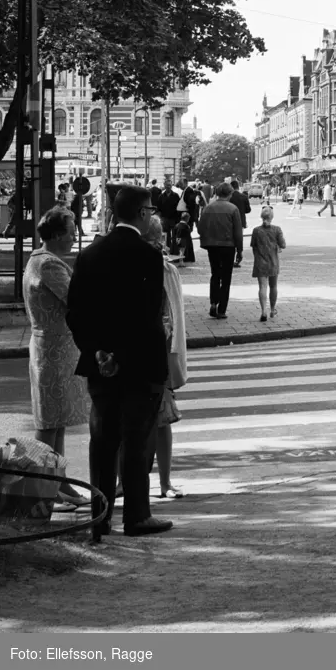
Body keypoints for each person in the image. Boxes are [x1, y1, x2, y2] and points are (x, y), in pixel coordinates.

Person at [66, 184, 173, 540]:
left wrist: (98, 351)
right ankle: (137, 516)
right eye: (150, 211)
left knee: (103, 440)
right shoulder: (147, 255)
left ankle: (100, 518)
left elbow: (76, 312)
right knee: (137, 441)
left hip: (99, 364)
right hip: (140, 363)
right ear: (142, 213)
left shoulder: (90, 254)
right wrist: (122, 356)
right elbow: (147, 315)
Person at [23, 206, 91, 512]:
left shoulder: (40, 259)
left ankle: (59, 484)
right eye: (72, 228)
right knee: (49, 422)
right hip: (53, 350)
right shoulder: (49, 265)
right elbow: (78, 299)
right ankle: (46, 490)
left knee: (56, 419)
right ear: (58, 234)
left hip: (53, 348)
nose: (76, 234)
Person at [141, 215, 186, 501]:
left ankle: (163, 481)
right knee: (154, 421)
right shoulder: (160, 268)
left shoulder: (165, 270)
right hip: (148, 353)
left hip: (156, 352)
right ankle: (159, 482)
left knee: (160, 419)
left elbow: (172, 316)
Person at [196, 182, 243, 320]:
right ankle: (222, 309)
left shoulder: (208, 208)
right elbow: (238, 233)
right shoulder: (233, 209)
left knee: (215, 274)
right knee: (226, 277)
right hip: (228, 246)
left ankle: (213, 302)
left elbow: (200, 228)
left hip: (212, 246)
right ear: (229, 194)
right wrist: (239, 251)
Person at [250, 204, 287, 322]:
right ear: (272, 217)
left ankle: (263, 311)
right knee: (273, 286)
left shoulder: (256, 231)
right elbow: (283, 245)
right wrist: (276, 245)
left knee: (262, 287)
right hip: (273, 261)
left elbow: (253, 246)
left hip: (260, 262)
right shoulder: (277, 229)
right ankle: (272, 309)